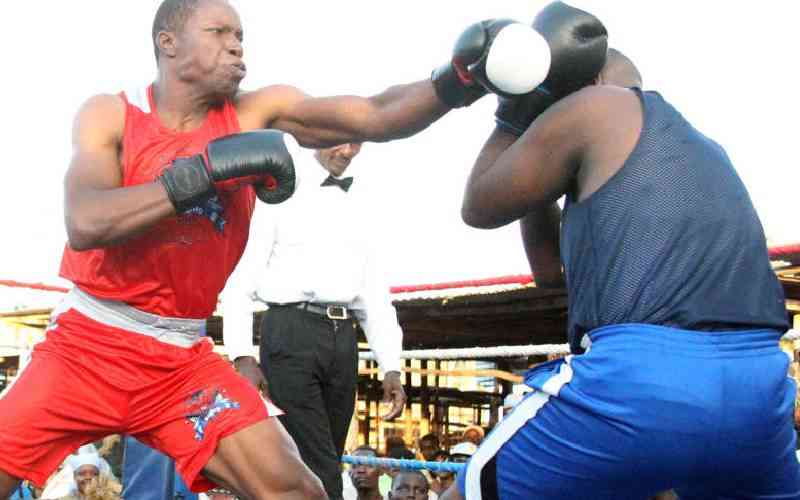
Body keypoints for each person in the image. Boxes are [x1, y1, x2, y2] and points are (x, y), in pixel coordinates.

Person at [0, 0, 548, 498]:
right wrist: (204, 173)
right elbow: (85, 221)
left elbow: (376, 115)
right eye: (218, 31)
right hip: (88, 344)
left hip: (180, 362)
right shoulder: (112, 114)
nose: (237, 44)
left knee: (297, 491)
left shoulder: (256, 111)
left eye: (240, 34)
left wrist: (457, 80)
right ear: (168, 42)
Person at [446, 2, 800, 499]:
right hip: (760, 389)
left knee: (467, 493)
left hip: (640, 384)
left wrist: (516, 110)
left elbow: (479, 204)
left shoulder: (595, 108)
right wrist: (538, 166)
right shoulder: (698, 144)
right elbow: (551, 274)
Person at [221, 142, 406, 500]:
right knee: (318, 466)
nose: (349, 150)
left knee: (326, 459)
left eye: (358, 141)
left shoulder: (362, 200)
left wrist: (392, 368)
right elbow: (240, 277)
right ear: (317, 135)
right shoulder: (281, 189)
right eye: (340, 139)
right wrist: (242, 354)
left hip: (344, 337)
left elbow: (374, 293)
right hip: (291, 330)